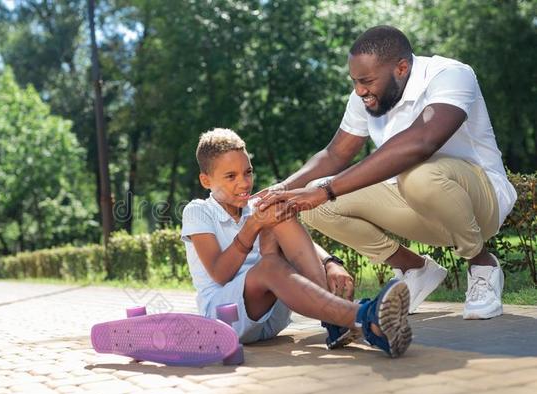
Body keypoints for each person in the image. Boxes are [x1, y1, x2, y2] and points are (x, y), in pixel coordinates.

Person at [256, 25, 517, 320]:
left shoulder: (450, 74)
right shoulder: (364, 97)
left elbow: (423, 142)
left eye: (366, 81)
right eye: (354, 81)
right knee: (317, 208)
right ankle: (414, 269)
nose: (359, 91)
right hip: (418, 205)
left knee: (416, 176)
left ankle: (482, 265)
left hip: (481, 202)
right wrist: (282, 188)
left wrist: (326, 189)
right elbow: (335, 153)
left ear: (402, 68)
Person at [181, 128, 412, 358]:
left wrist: (330, 262)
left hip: (271, 317)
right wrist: (253, 227)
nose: (243, 183)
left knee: (277, 210)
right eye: (231, 176)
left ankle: (337, 322)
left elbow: (295, 242)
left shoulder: (254, 207)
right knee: (268, 265)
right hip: (225, 318)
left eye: (248, 172)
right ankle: (364, 317)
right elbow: (220, 274)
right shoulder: (198, 211)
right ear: (206, 180)